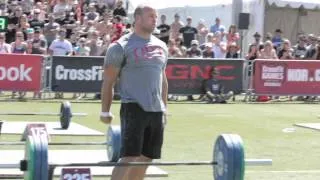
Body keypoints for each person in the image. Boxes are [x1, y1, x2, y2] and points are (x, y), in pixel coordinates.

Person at [100, 4, 168, 180]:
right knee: (129, 157)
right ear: (137, 18)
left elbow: (163, 79)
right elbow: (109, 81)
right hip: (133, 107)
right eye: (151, 16)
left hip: (156, 110)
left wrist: (164, 109)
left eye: (156, 16)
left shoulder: (161, 46)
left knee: (146, 158)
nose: (155, 20)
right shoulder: (120, 46)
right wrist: (105, 111)